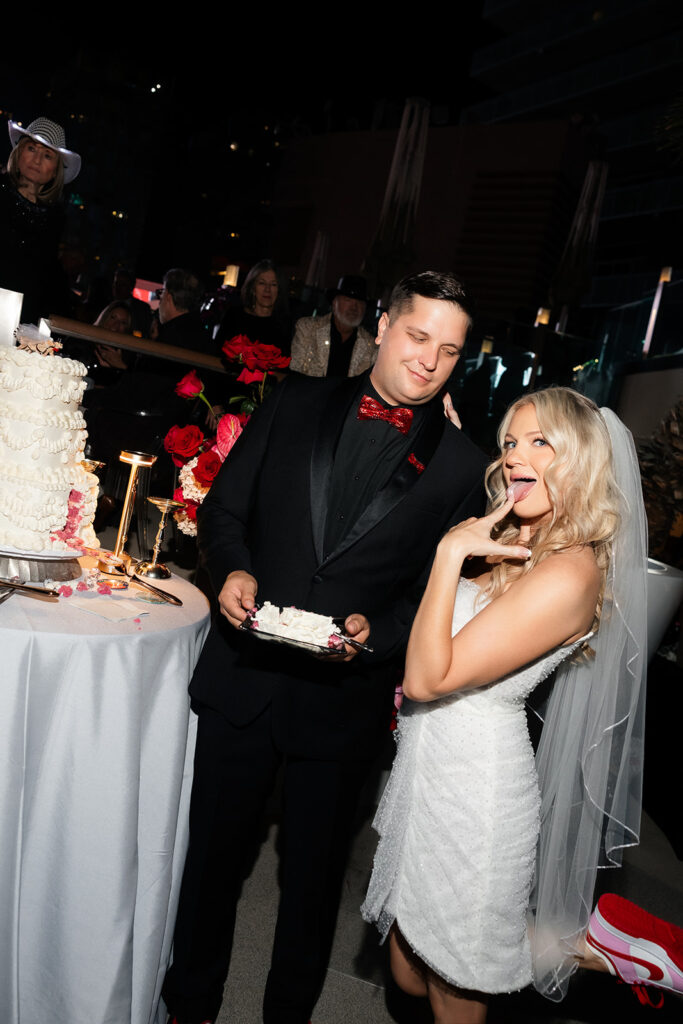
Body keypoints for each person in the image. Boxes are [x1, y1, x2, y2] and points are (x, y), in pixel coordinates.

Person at [161, 271, 489, 1024]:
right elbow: (223, 512)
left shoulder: (462, 467)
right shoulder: (294, 401)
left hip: (342, 705)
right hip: (244, 679)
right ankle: (188, 1007)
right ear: (381, 325)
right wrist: (233, 569)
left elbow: (441, 592)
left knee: (310, 893)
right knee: (210, 869)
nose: (427, 360)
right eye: (416, 336)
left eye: (448, 350)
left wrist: (386, 636)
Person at [362, 387, 651, 1022]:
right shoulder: (519, 537)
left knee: (457, 988)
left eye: (540, 442)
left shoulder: (570, 572)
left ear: (580, 460)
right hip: (430, 777)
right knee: (409, 973)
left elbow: (429, 678)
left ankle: (597, 950)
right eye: (510, 443)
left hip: (477, 798)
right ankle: (583, 945)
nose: (516, 456)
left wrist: (449, 554)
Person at [0, 117, 80, 323]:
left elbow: (45, 279)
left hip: (21, 321)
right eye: (31, 149)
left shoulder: (55, 220)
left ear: (56, 170)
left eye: (47, 155)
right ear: (18, 154)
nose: (37, 160)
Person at [290, 274, 376, 377]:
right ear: (335, 303)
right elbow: (294, 372)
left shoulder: (371, 345)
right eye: (348, 300)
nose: (354, 307)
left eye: (360, 302)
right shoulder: (307, 328)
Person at [216, 259, 291, 354]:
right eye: (262, 283)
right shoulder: (234, 316)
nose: (267, 289)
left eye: (273, 284)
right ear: (252, 288)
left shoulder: (285, 325)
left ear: (279, 290)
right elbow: (217, 352)